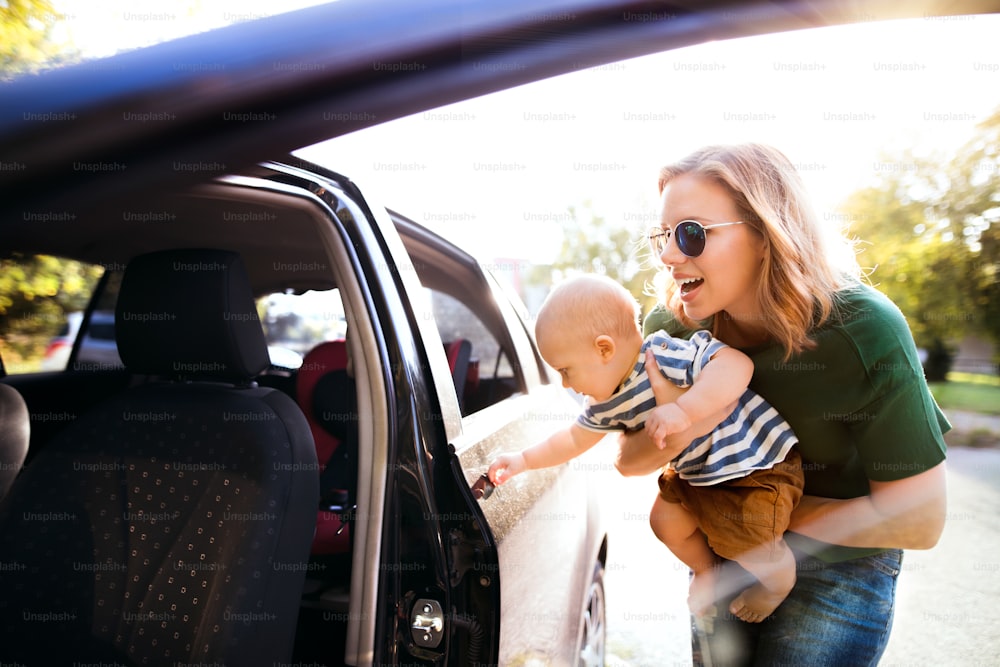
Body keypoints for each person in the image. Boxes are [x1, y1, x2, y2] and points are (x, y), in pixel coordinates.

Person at [616, 143, 948, 666]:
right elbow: (629, 460)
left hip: (841, 567)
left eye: (690, 234)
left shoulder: (865, 331)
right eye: (662, 236)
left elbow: (921, 519)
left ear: (767, 234)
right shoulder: (672, 329)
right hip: (725, 549)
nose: (668, 256)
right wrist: (669, 438)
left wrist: (762, 516)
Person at [487, 274, 803, 622]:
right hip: (701, 477)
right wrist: (523, 460)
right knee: (663, 522)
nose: (565, 383)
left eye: (566, 370)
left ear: (604, 349)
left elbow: (736, 365)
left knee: (750, 542)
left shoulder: (663, 355)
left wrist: (684, 410)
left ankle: (778, 583)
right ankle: (706, 570)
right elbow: (573, 439)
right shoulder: (604, 404)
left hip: (755, 463)